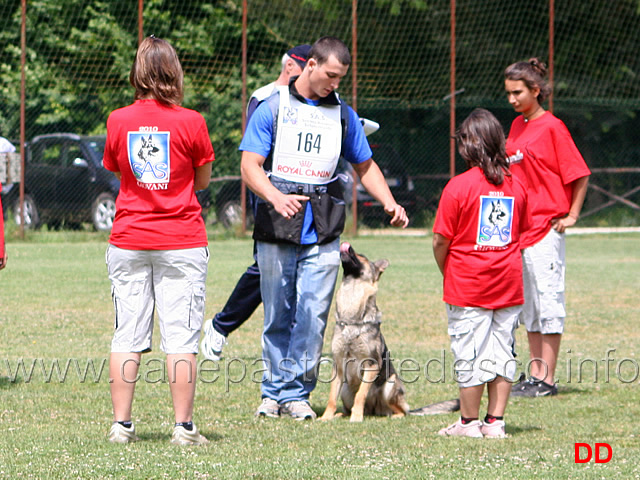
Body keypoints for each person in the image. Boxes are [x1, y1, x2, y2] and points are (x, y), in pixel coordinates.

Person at [240, 36, 408, 420]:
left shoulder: (344, 116)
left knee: (314, 315)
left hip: (323, 228)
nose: (334, 83)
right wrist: (275, 197)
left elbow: (365, 166)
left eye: (340, 78)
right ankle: (272, 394)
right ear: (310, 65)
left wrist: (389, 202)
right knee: (277, 314)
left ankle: (297, 394)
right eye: (330, 75)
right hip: (276, 224)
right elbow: (250, 166)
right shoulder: (272, 108)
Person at [103, 36, 215, 445]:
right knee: (181, 338)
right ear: (174, 72)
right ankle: (184, 429)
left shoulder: (118, 119)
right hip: (182, 239)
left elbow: (120, 171)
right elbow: (201, 180)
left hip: (129, 237)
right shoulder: (192, 122)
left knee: (126, 335)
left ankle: (121, 426)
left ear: (138, 72)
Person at [200, 44, 311, 362]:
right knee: (269, 269)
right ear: (290, 66)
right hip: (272, 191)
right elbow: (256, 154)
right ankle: (221, 327)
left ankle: (226, 329)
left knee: (288, 271)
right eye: (307, 67)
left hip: (304, 193)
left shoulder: (315, 98)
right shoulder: (265, 98)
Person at [433, 108, 530, 438]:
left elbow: (440, 240)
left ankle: (468, 423)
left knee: (469, 353)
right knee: (504, 351)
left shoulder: (458, 187)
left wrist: (449, 270)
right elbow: (521, 232)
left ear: (467, 145)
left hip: (468, 286)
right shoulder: (517, 187)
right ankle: (495, 422)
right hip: (508, 285)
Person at [504, 58, 590, 397]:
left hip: (546, 227)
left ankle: (548, 380)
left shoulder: (553, 126)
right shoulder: (516, 126)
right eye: (508, 93)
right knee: (530, 306)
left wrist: (571, 215)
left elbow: (579, 173)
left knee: (548, 301)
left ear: (536, 91)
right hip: (521, 230)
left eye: (518, 92)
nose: (511, 99)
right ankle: (535, 375)